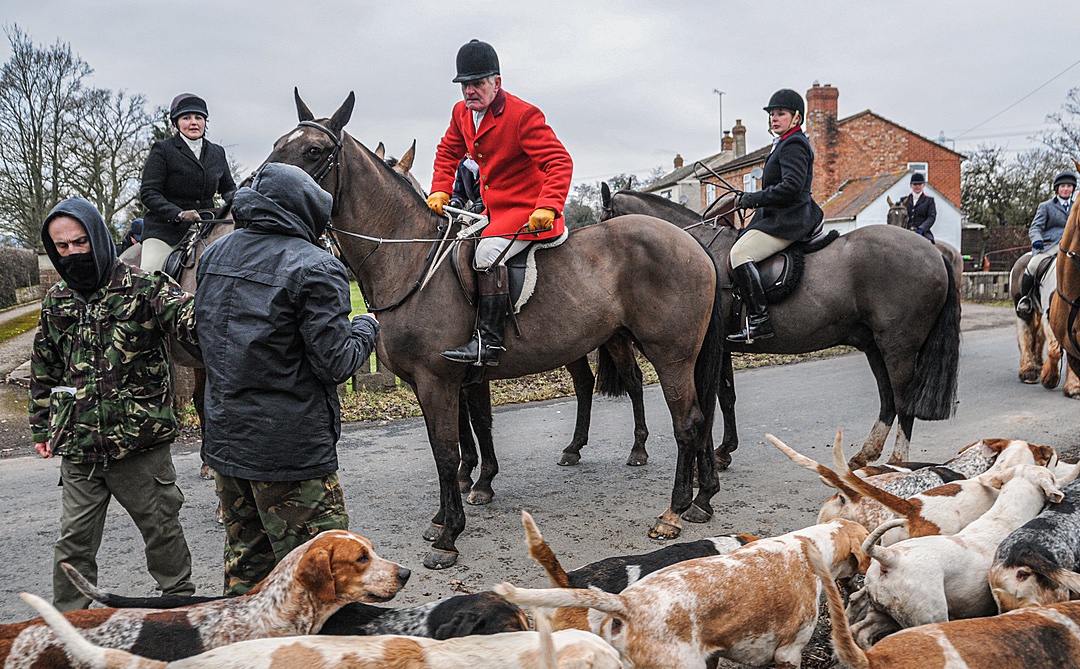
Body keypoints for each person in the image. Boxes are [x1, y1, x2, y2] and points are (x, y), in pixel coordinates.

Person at [194, 162, 380, 595]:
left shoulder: (216, 255)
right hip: (290, 452)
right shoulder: (315, 266)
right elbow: (337, 362)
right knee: (321, 585)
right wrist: (366, 326)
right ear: (305, 213)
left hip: (226, 443)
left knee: (247, 577)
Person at [29, 197, 197, 610]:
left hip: (140, 444)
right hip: (80, 446)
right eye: (62, 247)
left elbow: (196, 321)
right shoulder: (57, 301)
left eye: (80, 242)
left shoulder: (145, 288)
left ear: (98, 238)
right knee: (73, 543)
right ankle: (68, 628)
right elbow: (44, 365)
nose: (72, 253)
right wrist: (41, 427)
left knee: (162, 533)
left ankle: (179, 615)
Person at [426, 39, 573, 367]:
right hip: (491, 212)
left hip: (528, 211)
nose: (469, 92)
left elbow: (560, 162)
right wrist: (440, 189)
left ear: (497, 83)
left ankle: (488, 344)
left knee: (487, 253)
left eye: (478, 84)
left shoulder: (523, 116)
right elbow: (448, 151)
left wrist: (548, 205)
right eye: (465, 85)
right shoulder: (461, 113)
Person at [728, 89, 824, 343]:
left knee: (740, 254)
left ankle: (760, 321)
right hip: (778, 216)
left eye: (780, 113)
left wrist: (754, 198)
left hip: (790, 219)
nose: (774, 118)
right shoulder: (783, 143)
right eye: (772, 114)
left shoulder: (794, 144)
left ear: (796, 118)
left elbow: (791, 186)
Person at [140, 93, 236, 273]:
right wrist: (179, 214)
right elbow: (149, 193)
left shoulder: (217, 153)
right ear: (176, 123)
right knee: (150, 274)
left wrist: (239, 201)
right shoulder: (163, 150)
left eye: (199, 118)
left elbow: (228, 189)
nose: (194, 123)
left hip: (206, 227)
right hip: (166, 231)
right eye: (186, 118)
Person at [1016, 170, 1076, 318]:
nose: (1066, 189)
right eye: (1063, 186)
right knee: (1032, 265)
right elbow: (1036, 227)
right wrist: (1037, 239)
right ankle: (1026, 299)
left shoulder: (1077, 207)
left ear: (1073, 189)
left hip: (1073, 247)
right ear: (1057, 189)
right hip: (1050, 246)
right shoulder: (1046, 206)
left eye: (1069, 186)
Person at [900, 172, 937, 241]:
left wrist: (922, 228)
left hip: (922, 232)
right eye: (915, 184)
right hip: (906, 231)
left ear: (923, 185)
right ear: (911, 186)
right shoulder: (903, 200)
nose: (917, 186)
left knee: (929, 245)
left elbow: (931, 217)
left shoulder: (929, 201)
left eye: (919, 184)